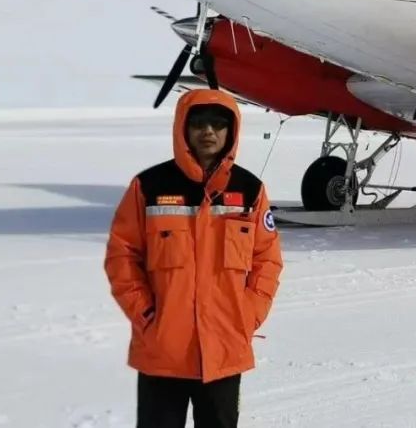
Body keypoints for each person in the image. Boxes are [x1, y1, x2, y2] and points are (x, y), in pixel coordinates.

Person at [105, 89, 283, 428]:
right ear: (183, 128)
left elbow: (267, 260)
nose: (209, 132)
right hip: (163, 352)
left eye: (218, 124)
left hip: (224, 350)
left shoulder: (250, 190)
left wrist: (247, 315)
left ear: (232, 131)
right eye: (199, 123)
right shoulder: (149, 186)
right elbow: (122, 255)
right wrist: (146, 315)